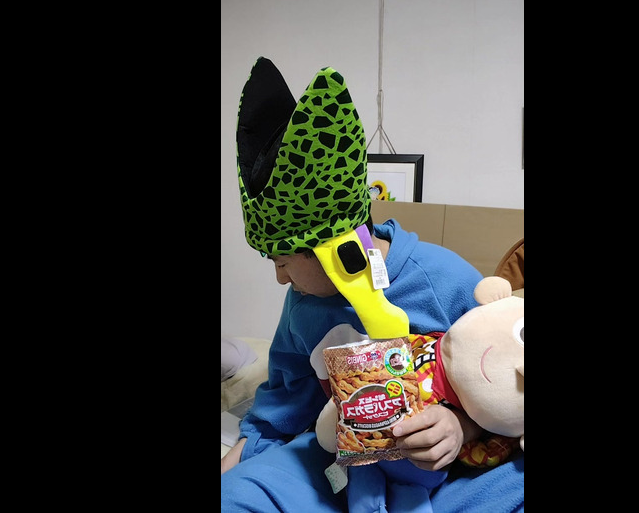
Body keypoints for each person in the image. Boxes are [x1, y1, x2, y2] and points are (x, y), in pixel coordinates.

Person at [221, 57, 524, 512]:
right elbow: (282, 403)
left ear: (334, 249)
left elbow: (507, 381)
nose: (280, 277)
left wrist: (462, 427)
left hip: (448, 470)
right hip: (341, 464)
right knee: (238, 494)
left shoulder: (443, 277)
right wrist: (236, 464)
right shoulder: (301, 304)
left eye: (283, 262)